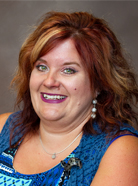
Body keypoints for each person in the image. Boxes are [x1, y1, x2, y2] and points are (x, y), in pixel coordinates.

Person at [0, 11, 138, 186]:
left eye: (68, 70)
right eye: (42, 67)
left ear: (99, 84)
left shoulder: (122, 151)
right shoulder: (3, 128)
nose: (49, 81)